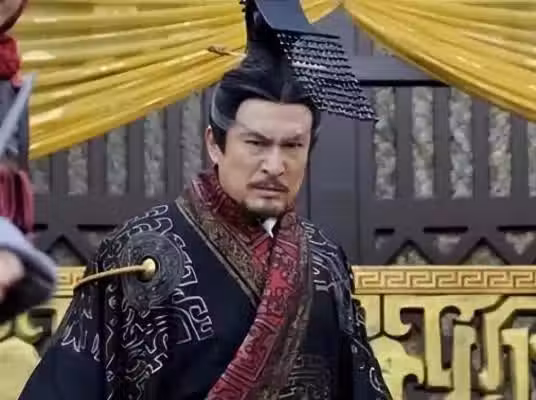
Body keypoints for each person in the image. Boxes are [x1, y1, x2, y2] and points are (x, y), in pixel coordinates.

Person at [18, 12, 391, 400]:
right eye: (257, 143)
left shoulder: (325, 258)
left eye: (292, 146)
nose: (275, 165)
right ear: (215, 144)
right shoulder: (139, 253)